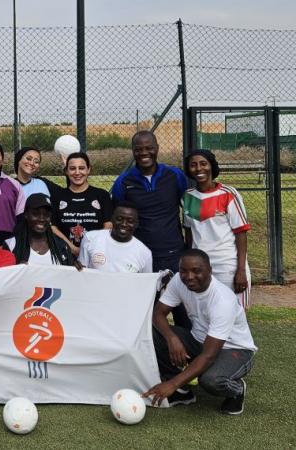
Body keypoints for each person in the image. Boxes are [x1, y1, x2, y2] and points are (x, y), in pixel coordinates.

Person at [143, 249, 256, 415]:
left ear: (210, 271)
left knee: (211, 380)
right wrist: (172, 339)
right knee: (152, 332)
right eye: (184, 271)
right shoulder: (179, 282)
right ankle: (182, 391)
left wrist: (171, 384)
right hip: (199, 341)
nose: (189, 277)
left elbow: (209, 355)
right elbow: (158, 314)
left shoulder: (222, 300)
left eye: (196, 271)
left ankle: (237, 390)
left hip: (235, 349)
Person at [111, 130, 190, 327]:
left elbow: (189, 208)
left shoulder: (175, 176)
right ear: (133, 151)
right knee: (145, 311)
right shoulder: (124, 182)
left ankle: (186, 352)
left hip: (174, 253)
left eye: (149, 148)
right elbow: (118, 217)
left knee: (183, 311)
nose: (144, 153)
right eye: (139, 149)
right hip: (142, 256)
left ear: (157, 149)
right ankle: (151, 354)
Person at [183, 149, 251, 309]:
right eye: (193, 165)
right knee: (205, 316)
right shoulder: (187, 196)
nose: (199, 168)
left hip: (227, 266)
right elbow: (189, 232)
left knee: (234, 316)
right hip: (200, 267)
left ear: (211, 166)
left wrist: (240, 270)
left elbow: (241, 233)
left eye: (203, 164)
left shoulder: (228, 194)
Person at [52, 152, 113, 256]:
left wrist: (90, 247)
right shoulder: (57, 196)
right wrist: (71, 248)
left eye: (81, 168)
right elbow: (53, 227)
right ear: (66, 171)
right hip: (65, 254)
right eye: (72, 168)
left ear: (88, 169)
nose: (77, 172)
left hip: (96, 252)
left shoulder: (102, 195)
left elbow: (108, 225)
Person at [78, 201, 153, 273]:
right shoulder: (90, 239)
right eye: (119, 219)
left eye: (130, 221)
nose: (124, 224)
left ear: (136, 224)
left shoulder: (144, 254)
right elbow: (82, 273)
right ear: (112, 219)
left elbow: (144, 283)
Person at [6, 193, 78, 267]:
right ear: (26, 214)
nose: (41, 219)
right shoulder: (11, 245)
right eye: (35, 213)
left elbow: (69, 275)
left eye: (46, 214)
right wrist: (17, 270)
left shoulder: (61, 246)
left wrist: (76, 268)